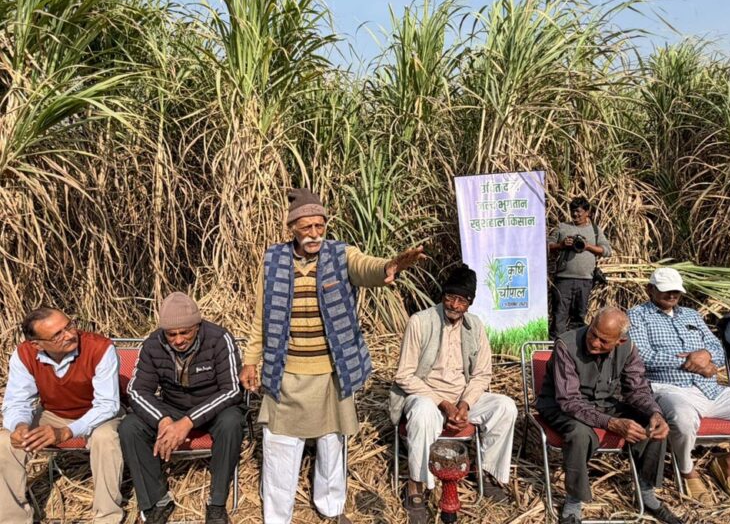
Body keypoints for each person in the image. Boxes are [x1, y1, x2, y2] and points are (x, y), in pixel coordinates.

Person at [238, 188, 426, 524]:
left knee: (331, 442)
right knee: (280, 445)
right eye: (306, 227)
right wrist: (250, 359)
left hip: (330, 372)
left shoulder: (341, 255)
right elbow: (260, 316)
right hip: (286, 372)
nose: (314, 234)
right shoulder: (274, 260)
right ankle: (277, 517)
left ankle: (331, 507)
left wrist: (389, 266)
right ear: (292, 228)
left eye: (319, 226)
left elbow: (366, 267)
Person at [389, 264, 517, 524]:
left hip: (462, 397)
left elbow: (482, 374)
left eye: (462, 300)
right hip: (425, 394)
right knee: (423, 412)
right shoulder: (420, 322)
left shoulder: (475, 326)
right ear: (442, 295)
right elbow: (404, 375)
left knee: (506, 407)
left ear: (470, 303)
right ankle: (417, 484)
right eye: (450, 297)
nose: (454, 305)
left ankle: (486, 472)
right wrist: (445, 404)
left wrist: (465, 404)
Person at [628, 268, 730, 505]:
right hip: (669, 388)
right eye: (666, 290)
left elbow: (717, 350)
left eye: (676, 291)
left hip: (710, 389)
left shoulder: (691, 315)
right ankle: (687, 470)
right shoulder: (637, 315)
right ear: (650, 289)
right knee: (682, 419)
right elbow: (642, 356)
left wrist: (705, 356)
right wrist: (691, 361)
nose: (672, 295)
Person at [537, 307, 681, 524]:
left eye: (604, 341)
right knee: (579, 434)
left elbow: (637, 390)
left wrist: (655, 413)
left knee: (653, 425)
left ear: (619, 341)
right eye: (593, 334)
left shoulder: (628, 348)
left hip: (603, 403)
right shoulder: (566, 345)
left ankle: (646, 492)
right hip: (560, 406)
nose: (595, 343)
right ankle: (573, 500)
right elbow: (569, 401)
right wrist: (611, 423)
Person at [119, 292, 243, 524]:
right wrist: (163, 420)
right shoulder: (152, 344)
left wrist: (188, 422)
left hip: (212, 408)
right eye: (171, 334)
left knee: (232, 421)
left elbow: (232, 390)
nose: (178, 340)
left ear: (197, 326)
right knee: (130, 426)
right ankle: (157, 502)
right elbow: (137, 391)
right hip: (172, 408)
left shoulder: (219, 339)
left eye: (185, 332)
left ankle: (216, 503)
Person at [0, 307, 123, 524]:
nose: (69, 335)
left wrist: (67, 431)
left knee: (106, 438)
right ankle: (13, 519)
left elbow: (107, 405)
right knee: (5, 441)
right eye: (57, 334)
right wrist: (20, 426)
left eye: (69, 326)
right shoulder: (25, 354)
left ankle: (107, 517)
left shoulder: (100, 348)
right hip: (53, 413)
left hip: (98, 415)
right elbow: (18, 401)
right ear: (37, 345)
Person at [548, 196, 611, 338]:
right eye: (573, 211)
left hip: (585, 280)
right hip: (563, 280)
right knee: (559, 316)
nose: (575, 214)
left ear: (587, 212)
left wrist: (588, 246)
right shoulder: (563, 227)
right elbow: (547, 246)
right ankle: (557, 345)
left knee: (579, 317)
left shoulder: (595, 230)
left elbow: (607, 251)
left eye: (579, 211)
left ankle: (576, 345)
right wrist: (561, 245)